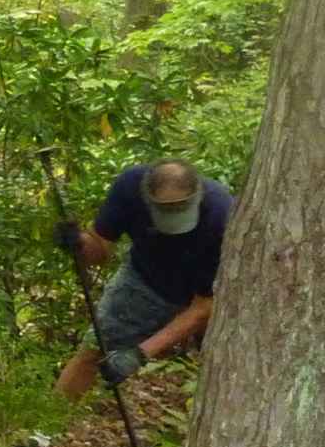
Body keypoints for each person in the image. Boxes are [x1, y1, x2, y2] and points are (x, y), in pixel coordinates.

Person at [54, 159, 232, 400]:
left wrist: (139, 354)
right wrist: (78, 244)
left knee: (217, 368)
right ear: (147, 198)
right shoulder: (129, 188)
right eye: (165, 211)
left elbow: (203, 307)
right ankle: (44, 433)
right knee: (94, 350)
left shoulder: (222, 215)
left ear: (197, 196)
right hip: (144, 280)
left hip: (205, 293)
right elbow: (100, 252)